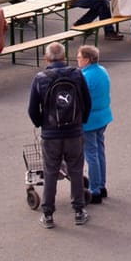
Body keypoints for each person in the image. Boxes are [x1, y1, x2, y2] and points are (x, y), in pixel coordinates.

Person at [28, 43, 92, 229]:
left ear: (46, 59)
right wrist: (81, 122)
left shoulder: (40, 78)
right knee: (76, 170)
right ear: (65, 57)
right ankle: (79, 211)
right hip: (74, 132)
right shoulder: (76, 74)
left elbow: (32, 109)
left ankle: (48, 214)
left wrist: (42, 124)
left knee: (50, 172)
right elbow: (87, 101)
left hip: (51, 134)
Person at [78, 44, 113, 202]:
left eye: (79, 57)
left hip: (90, 120)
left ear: (86, 59)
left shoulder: (84, 77)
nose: (77, 60)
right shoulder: (102, 71)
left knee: (91, 154)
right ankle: (102, 185)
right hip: (103, 116)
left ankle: (95, 190)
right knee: (99, 151)